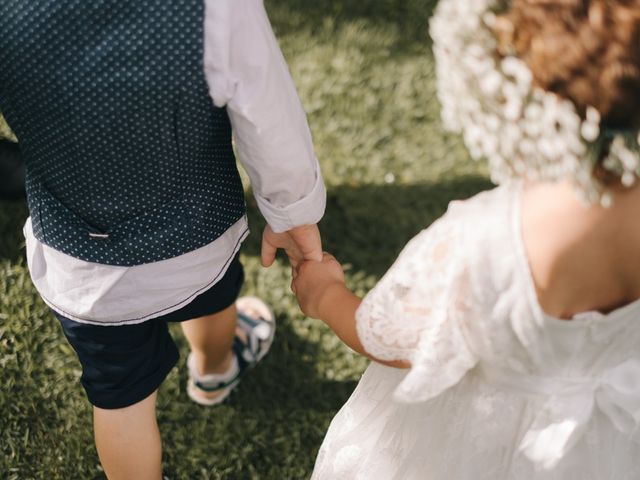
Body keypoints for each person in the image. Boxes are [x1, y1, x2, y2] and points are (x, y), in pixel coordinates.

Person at [292, 0, 640, 478]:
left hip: (480, 447)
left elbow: (396, 340)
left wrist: (325, 294)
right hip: (610, 446)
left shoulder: (490, 236)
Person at [0, 0, 325, 478]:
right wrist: (291, 213)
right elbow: (266, 113)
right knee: (212, 301)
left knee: (120, 395)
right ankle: (214, 371)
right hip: (195, 235)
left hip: (78, 255)